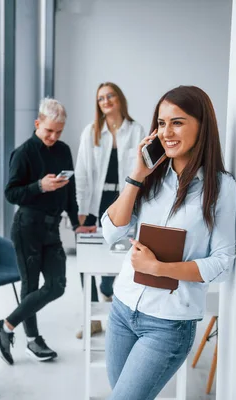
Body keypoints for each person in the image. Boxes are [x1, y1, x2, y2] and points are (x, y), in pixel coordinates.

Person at [101, 86, 236, 400]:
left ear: (201, 126)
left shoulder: (221, 187)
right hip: (122, 308)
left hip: (168, 325)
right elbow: (111, 232)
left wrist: (159, 268)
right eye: (161, 124)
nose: (166, 132)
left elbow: (223, 264)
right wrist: (137, 175)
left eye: (177, 122)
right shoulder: (150, 176)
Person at [0, 98, 88, 365]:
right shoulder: (23, 153)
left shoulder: (64, 150)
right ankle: (33, 340)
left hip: (52, 228)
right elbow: (11, 193)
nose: (54, 137)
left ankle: (6, 326)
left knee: (56, 286)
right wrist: (39, 187)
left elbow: (69, 190)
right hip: (27, 228)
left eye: (59, 131)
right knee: (30, 286)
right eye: (49, 131)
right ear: (37, 124)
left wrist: (76, 224)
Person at [74, 82, 146, 339]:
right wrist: (81, 209)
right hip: (96, 202)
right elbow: (81, 172)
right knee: (86, 258)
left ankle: (107, 289)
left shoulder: (136, 130)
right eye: (101, 98)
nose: (105, 101)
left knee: (117, 256)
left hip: (123, 202)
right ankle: (90, 319)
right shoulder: (91, 132)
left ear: (119, 99)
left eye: (110, 96)